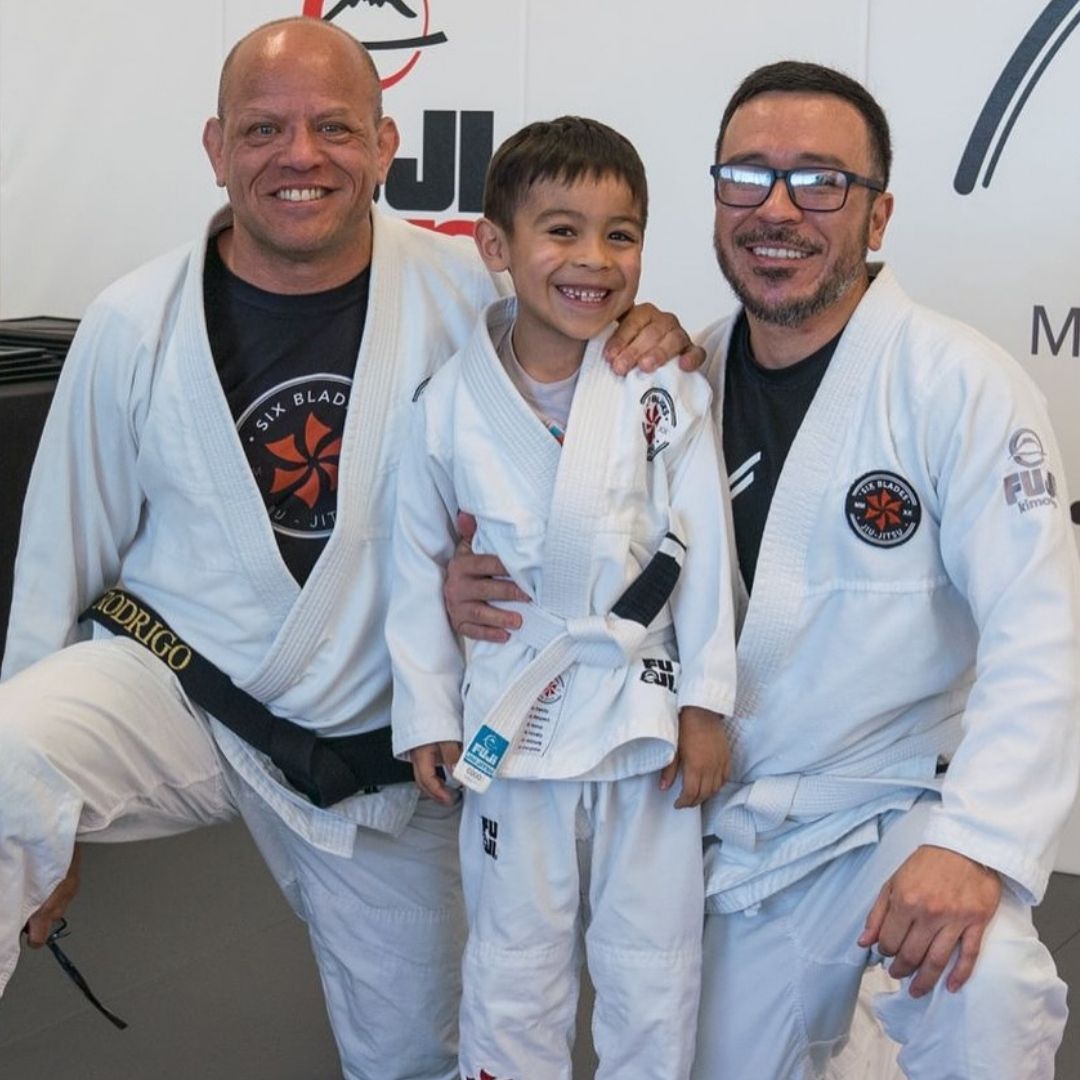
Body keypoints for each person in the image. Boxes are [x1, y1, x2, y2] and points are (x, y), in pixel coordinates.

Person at [0, 18, 698, 1080]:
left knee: (421, 1054)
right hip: (183, 687)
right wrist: (32, 831)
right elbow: (59, 549)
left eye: (335, 127)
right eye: (264, 129)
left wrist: (648, 335)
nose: (301, 155)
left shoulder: (474, 295)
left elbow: (597, 446)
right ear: (215, 148)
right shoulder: (131, 322)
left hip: (385, 743)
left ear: (385, 145)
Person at [446, 61, 1080, 1080]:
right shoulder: (670, 380)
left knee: (990, 985)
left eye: (820, 181)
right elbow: (588, 568)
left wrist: (978, 845)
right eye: (747, 176)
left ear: (877, 217)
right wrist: (467, 585)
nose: (777, 208)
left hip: (890, 812)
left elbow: (1039, 631)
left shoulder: (958, 384)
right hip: (730, 833)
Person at [386, 116, 737, 1080]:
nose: (594, 259)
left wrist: (707, 703)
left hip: (643, 715)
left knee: (652, 957)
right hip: (518, 709)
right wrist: (426, 709)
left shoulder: (661, 384)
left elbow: (702, 547)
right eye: (562, 230)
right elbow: (414, 564)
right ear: (494, 246)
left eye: (620, 234)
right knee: (511, 956)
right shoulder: (447, 402)